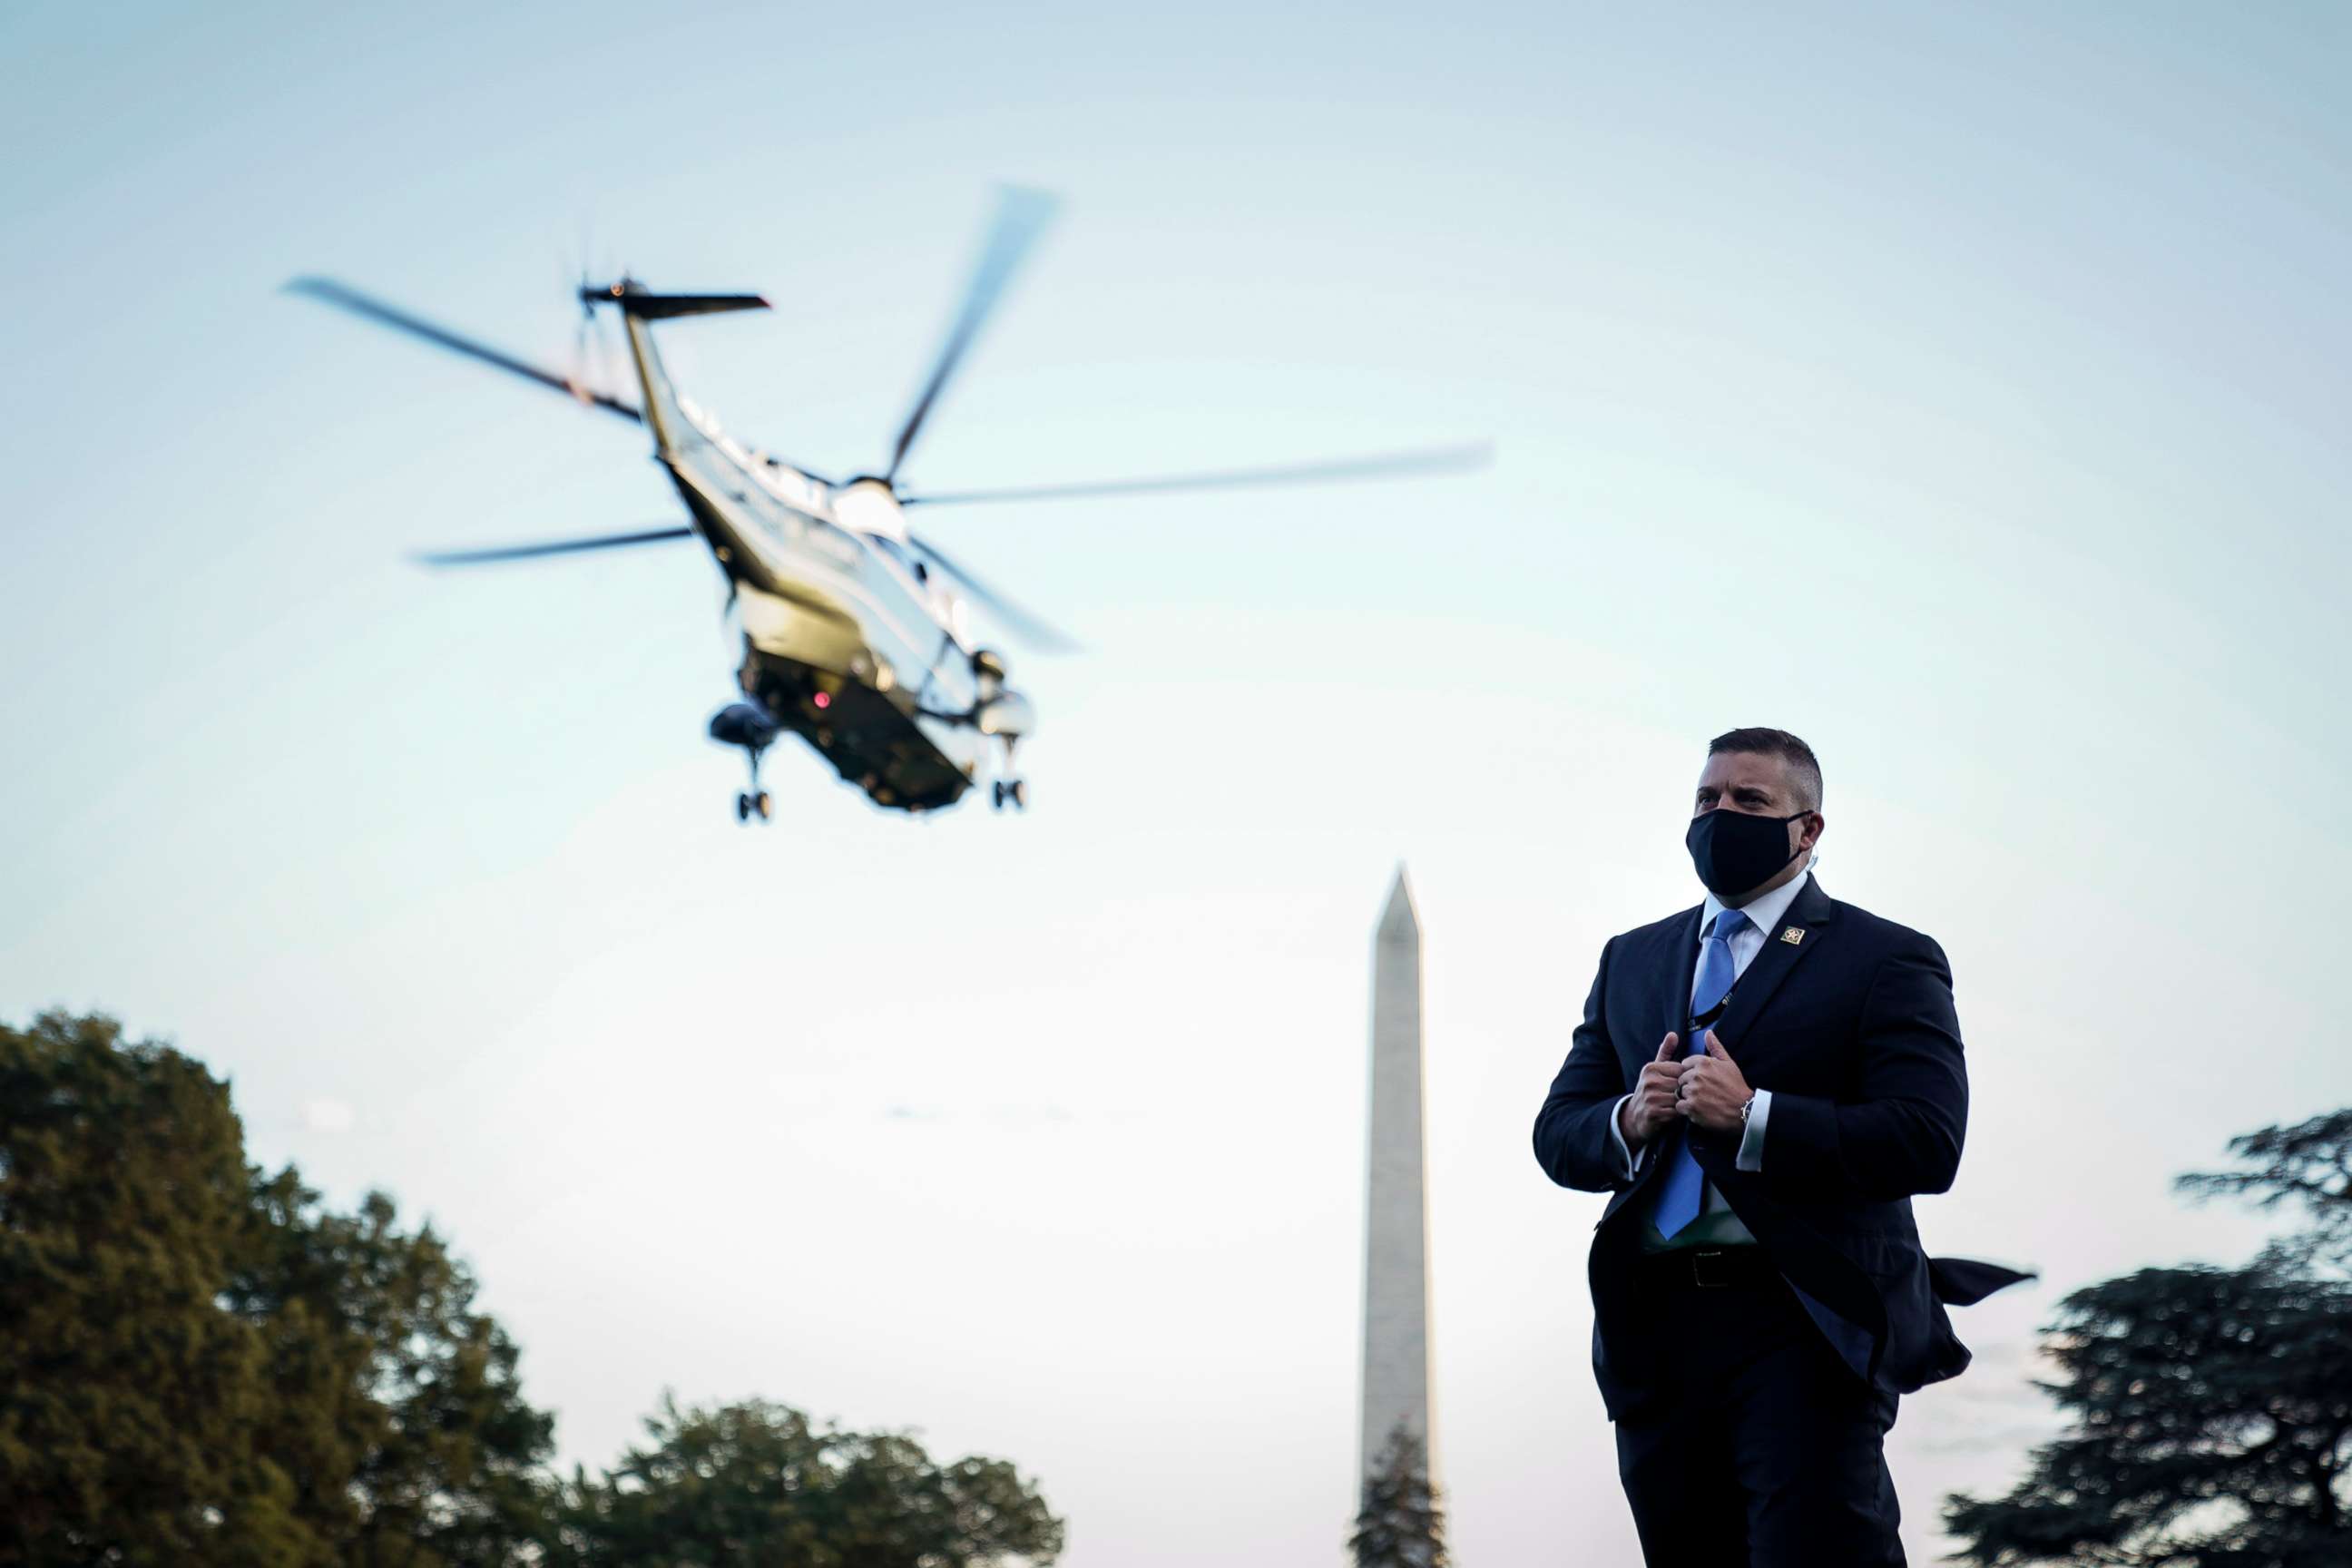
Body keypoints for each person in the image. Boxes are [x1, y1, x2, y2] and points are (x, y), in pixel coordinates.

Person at [1532, 727, 2026, 1566]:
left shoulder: (1886, 957)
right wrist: (1629, 1120)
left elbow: (1928, 1139)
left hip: (1803, 1319)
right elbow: (1559, 1132)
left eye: (1750, 800)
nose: (1722, 815)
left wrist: (1756, 1115)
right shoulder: (1634, 958)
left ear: (1809, 829)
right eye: (1707, 799)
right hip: (1655, 1328)